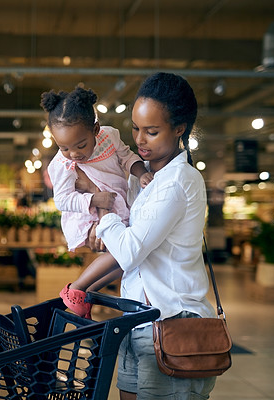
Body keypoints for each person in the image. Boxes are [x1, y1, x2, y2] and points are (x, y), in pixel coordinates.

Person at [78, 72, 217, 399]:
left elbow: (129, 251)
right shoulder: (146, 179)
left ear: (179, 129)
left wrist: (103, 211)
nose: (140, 140)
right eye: (136, 129)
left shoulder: (177, 182)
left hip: (173, 322)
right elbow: (129, 254)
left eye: (152, 131)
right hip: (137, 319)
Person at [41, 87, 153, 318]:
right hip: (86, 214)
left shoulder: (109, 137)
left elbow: (126, 156)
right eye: (63, 148)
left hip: (116, 206)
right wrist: (93, 198)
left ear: (95, 129)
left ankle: (87, 292)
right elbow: (62, 200)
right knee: (125, 252)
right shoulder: (62, 165)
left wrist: (140, 172)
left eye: (81, 145)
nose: (73, 154)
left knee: (129, 259)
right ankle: (77, 289)